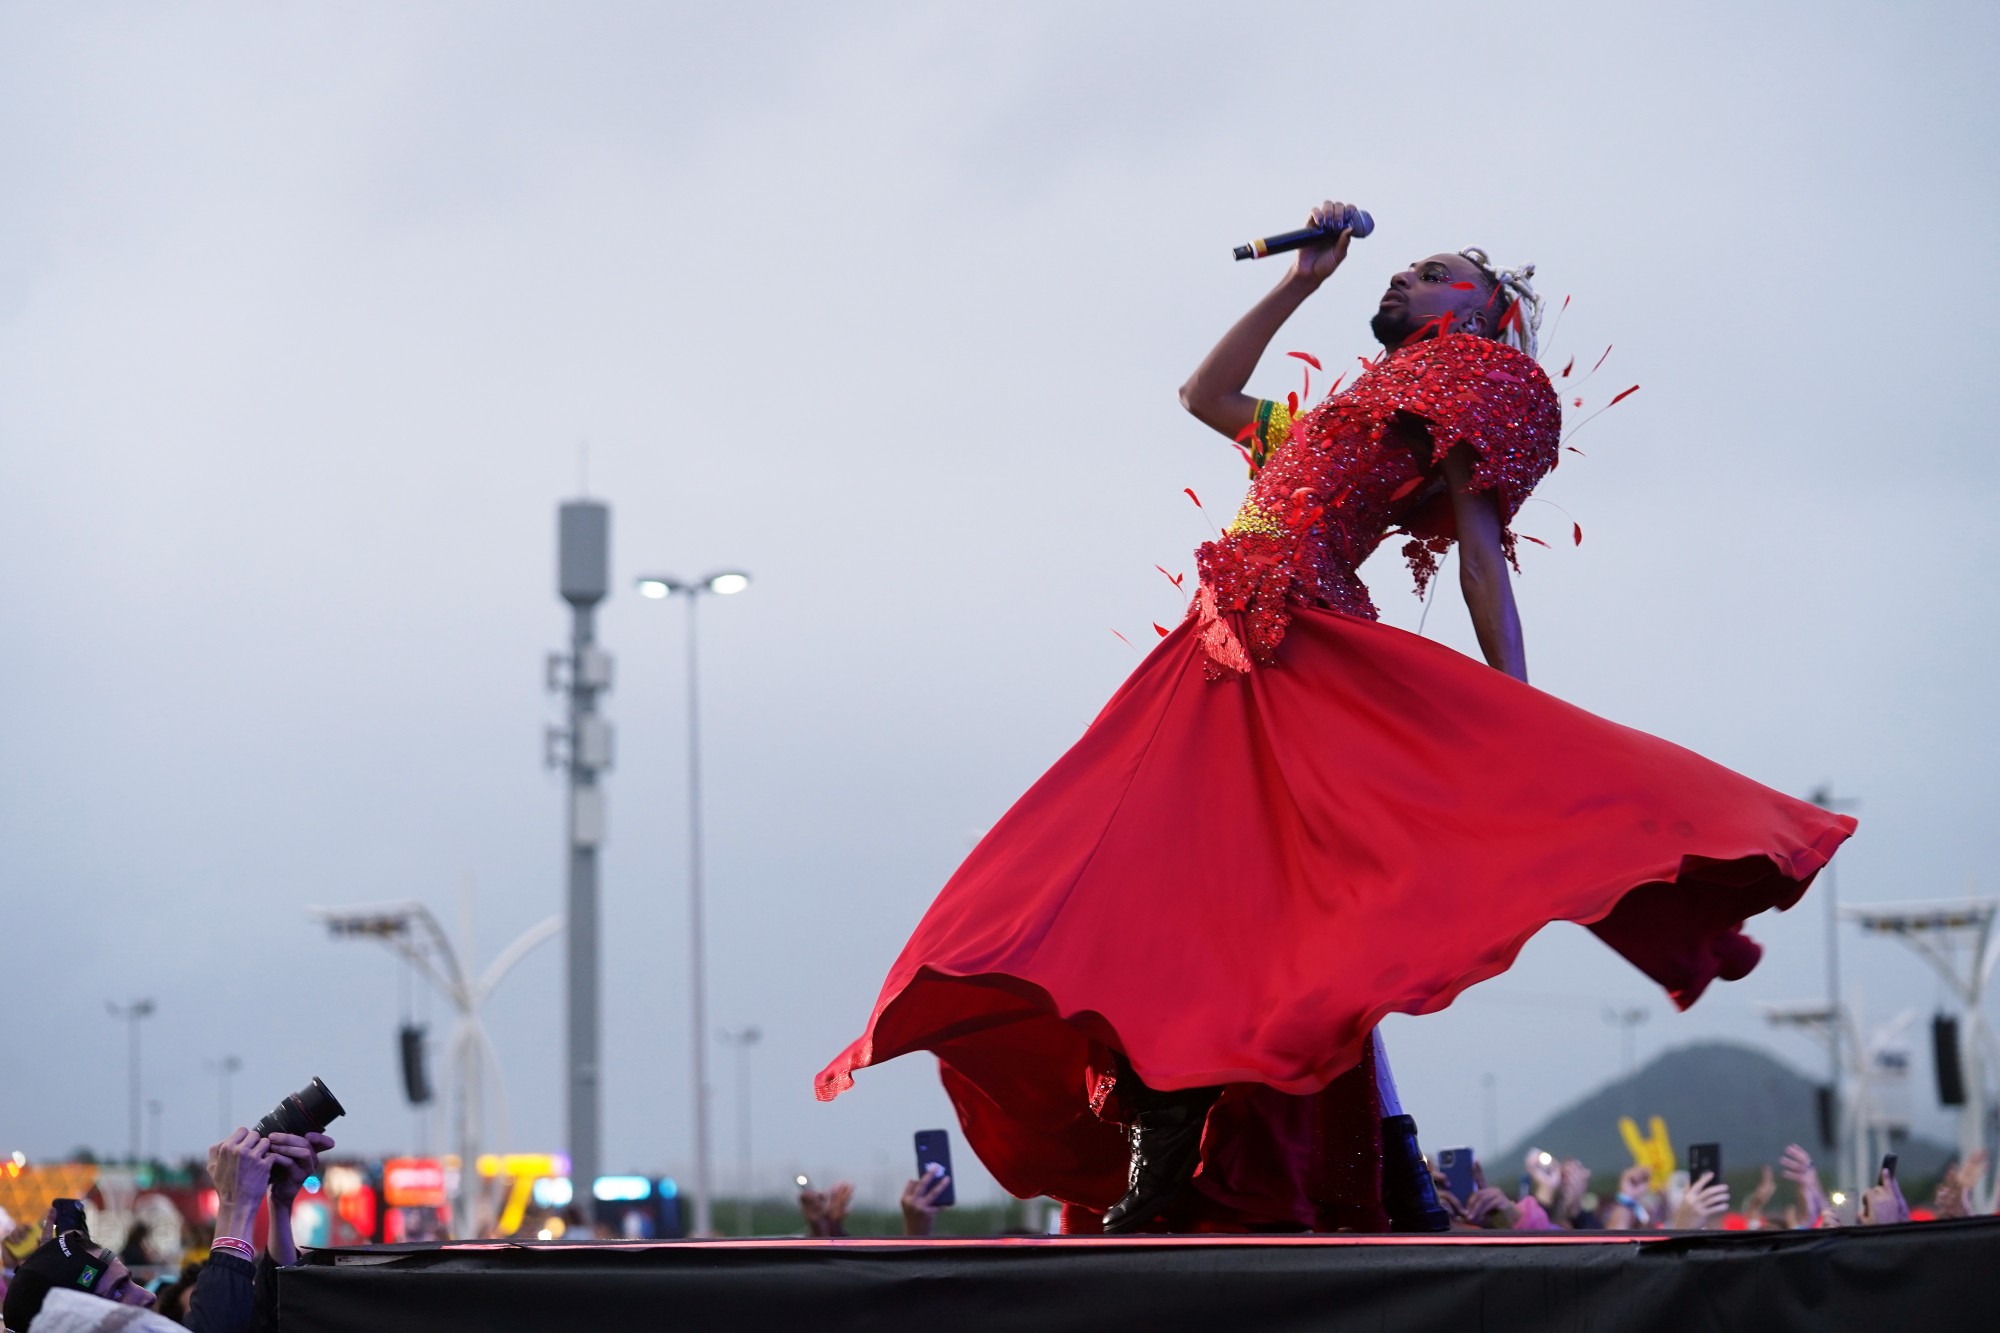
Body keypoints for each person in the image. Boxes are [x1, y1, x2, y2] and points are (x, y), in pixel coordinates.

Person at [815, 199, 1856, 1235]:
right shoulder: (1318, 421)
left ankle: (1218, 1151)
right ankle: (1313, 1159)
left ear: (1485, 308)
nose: (1399, 277)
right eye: (1397, 269)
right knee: (1164, 894)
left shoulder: (1489, 379)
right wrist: (1300, 281)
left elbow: (1481, 552)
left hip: (1299, 647)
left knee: (1285, 915)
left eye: (1431, 270)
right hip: (1212, 654)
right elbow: (1201, 393)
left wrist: (1511, 710)